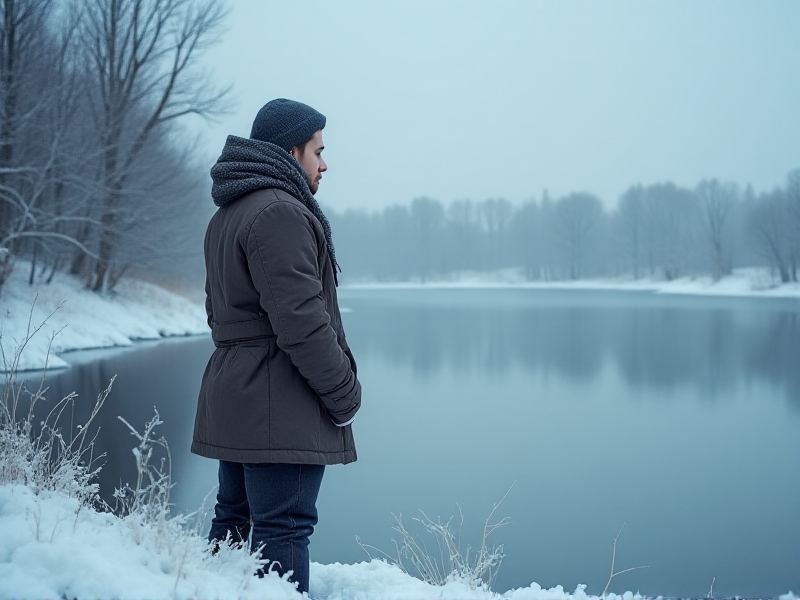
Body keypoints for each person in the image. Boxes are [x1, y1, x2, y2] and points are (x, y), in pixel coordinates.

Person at [191, 98, 361, 595]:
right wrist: (344, 396)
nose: (325, 164)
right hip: (278, 407)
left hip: (240, 397)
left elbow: (216, 314)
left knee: (235, 523)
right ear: (291, 151)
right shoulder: (279, 213)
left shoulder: (229, 214)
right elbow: (302, 323)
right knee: (283, 530)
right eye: (318, 151)